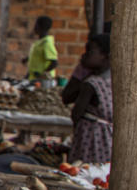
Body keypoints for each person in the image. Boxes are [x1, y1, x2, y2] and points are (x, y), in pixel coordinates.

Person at [62, 33, 112, 164]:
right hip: (108, 138)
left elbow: (76, 114)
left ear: (104, 56)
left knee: (82, 169)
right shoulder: (112, 80)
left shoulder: (90, 84)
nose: (85, 55)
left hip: (88, 137)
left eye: (90, 51)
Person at [25, 15, 58, 81]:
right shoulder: (39, 42)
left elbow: (54, 62)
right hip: (33, 77)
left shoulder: (47, 43)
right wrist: (27, 59)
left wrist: (43, 74)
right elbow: (37, 56)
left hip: (43, 80)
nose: (34, 27)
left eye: (36, 25)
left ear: (40, 27)